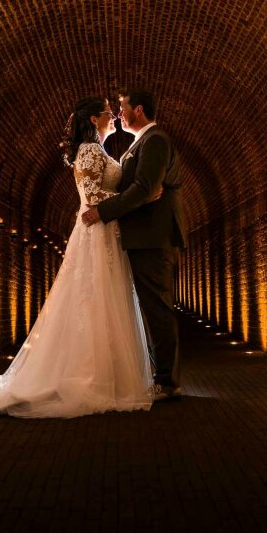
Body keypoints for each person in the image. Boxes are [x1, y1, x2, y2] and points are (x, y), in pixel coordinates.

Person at [0, 97, 155, 418]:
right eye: (109, 114)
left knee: (106, 300)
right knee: (94, 300)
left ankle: (108, 376)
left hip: (106, 231)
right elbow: (91, 196)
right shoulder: (89, 150)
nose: (114, 118)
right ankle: (95, 378)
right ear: (95, 118)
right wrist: (138, 199)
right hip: (97, 233)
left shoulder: (98, 150)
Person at [81, 89, 186, 401]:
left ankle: (168, 382)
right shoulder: (142, 142)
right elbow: (140, 188)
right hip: (145, 237)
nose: (118, 113)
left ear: (138, 110)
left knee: (158, 308)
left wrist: (103, 211)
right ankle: (161, 377)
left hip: (153, 237)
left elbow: (144, 188)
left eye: (123, 107)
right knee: (153, 306)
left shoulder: (155, 140)